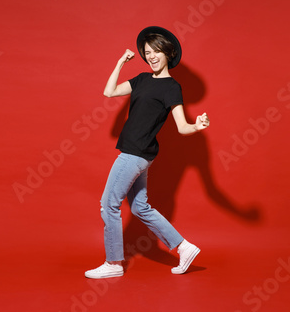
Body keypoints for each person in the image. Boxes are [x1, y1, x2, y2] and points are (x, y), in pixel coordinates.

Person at [85, 26, 210, 279]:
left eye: (156, 51)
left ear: (168, 53)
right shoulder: (141, 79)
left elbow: (182, 126)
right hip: (139, 154)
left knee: (108, 204)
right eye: (147, 52)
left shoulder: (172, 88)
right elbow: (109, 92)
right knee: (140, 208)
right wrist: (121, 62)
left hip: (135, 154)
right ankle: (184, 247)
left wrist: (196, 126)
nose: (151, 56)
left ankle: (113, 263)